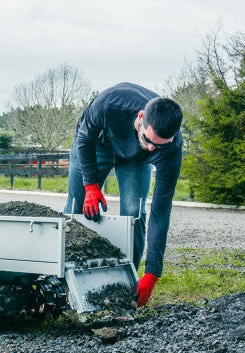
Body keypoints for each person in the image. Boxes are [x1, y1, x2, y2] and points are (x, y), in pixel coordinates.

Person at [64, 82, 182, 307]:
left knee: (135, 213)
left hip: (135, 161)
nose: (151, 148)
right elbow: (84, 137)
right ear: (140, 117)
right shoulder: (109, 104)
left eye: (159, 146)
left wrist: (153, 272)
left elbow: (161, 210)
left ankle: (128, 285)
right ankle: (64, 283)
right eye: (148, 140)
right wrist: (91, 187)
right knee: (75, 208)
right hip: (96, 144)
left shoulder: (171, 148)